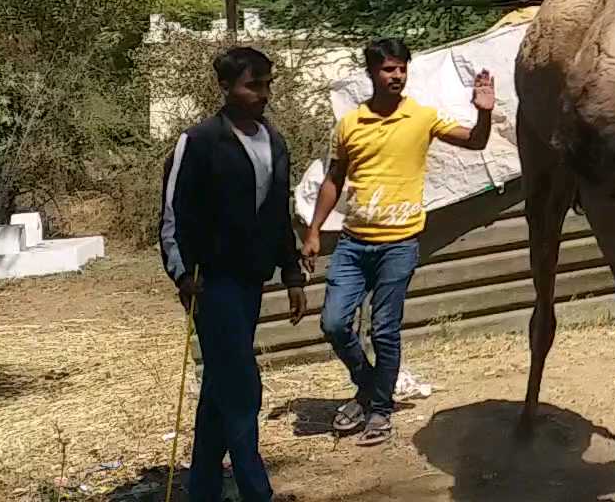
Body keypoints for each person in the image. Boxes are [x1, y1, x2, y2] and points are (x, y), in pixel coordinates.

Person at [304, 38, 495, 445]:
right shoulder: (351, 123)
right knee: (334, 323)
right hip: (353, 243)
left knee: (385, 331)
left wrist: (484, 115)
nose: (397, 76)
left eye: (402, 69)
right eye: (389, 69)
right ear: (372, 73)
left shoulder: (422, 117)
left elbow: (475, 142)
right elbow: (335, 179)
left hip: (399, 243)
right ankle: (370, 386)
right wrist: (314, 229)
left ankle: (380, 411)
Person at [159, 47, 308, 502]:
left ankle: (202, 489)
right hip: (211, 280)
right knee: (242, 387)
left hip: (251, 279)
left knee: (221, 385)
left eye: (266, 84)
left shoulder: (274, 141)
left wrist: (292, 271)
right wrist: (182, 275)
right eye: (252, 85)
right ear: (225, 88)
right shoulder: (200, 141)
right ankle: (254, 490)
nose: (262, 94)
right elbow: (171, 215)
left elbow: (278, 214)